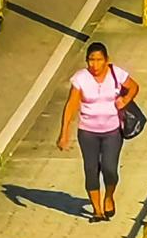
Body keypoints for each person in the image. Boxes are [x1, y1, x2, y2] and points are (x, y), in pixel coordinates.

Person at [58, 41, 140, 222]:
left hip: (112, 131)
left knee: (110, 169)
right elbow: (71, 106)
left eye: (98, 60)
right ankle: (97, 211)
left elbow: (134, 87)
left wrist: (124, 101)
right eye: (91, 60)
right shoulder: (80, 79)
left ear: (106, 60)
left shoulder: (116, 74)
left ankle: (109, 196)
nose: (94, 65)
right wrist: (64, 133)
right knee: (91, 169)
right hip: (88, 132)